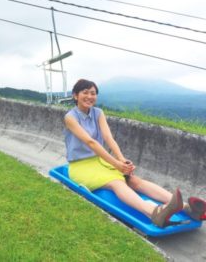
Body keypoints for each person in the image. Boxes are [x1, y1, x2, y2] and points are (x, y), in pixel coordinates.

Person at [64, 79, 206, 227]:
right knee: (117, 183)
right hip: (80, 166)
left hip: (100, 161)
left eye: (93, 93)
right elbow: (91, 142)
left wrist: (122, 160)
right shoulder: (70, 117)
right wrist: (116, 164)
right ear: (75, 96)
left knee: (134, 181)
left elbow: (108, 138)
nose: (89, 96)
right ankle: (154, 213)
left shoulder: (98, 113)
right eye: (85, 93)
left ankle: (187, 208)